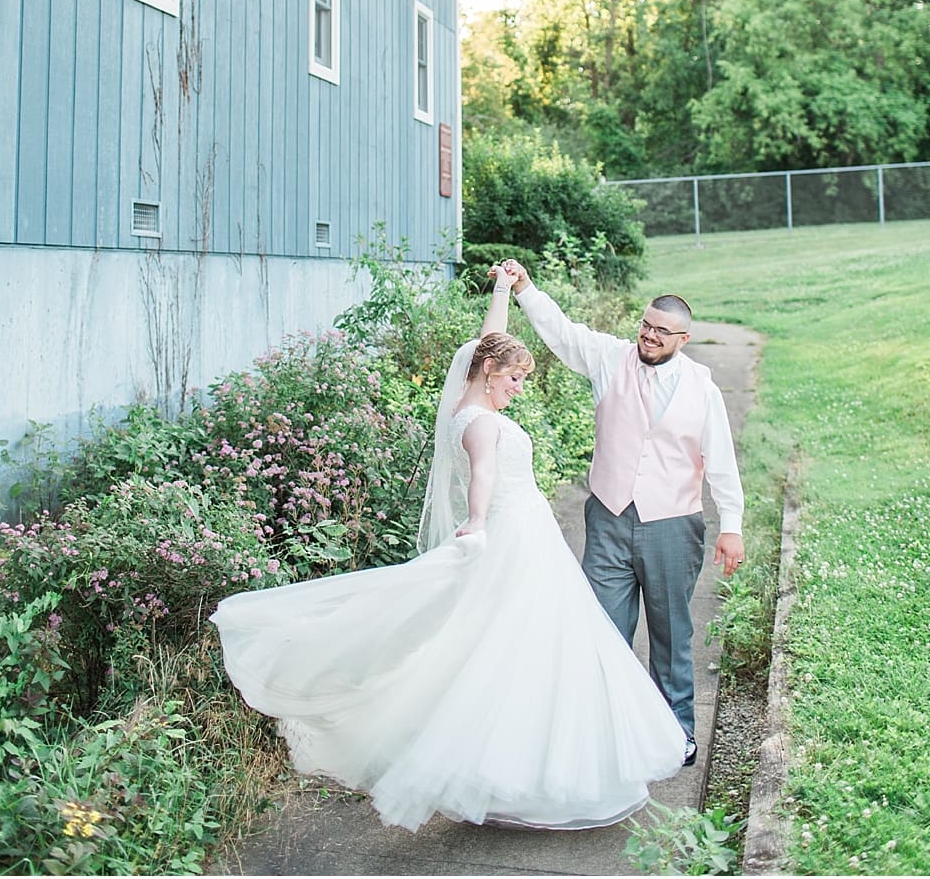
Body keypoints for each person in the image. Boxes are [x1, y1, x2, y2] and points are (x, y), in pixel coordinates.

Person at [211, 266, 687, 831]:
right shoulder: (483, 425)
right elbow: (482, 475)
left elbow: (490, 339)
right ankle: (520, 767)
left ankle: (517, 762)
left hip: (528, 534)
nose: (519, 387)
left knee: (514, 645)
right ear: (490, 374)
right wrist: (479, 522)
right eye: (514, 379)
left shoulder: (473, 391)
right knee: (529, 646)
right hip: (513, 535)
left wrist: (503, 292)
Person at [495, 259, 744, 769]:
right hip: (608, 519)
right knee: (602, 630)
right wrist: (525, 289)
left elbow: (721, 462)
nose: (649, 336)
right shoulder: (611, 358)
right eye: (645, 325)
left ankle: (676, 732)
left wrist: (732, 527)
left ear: (683, 338)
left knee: (672, 632)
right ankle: (604, 731)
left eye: (661, 331)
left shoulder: (704, 389)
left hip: (674, 525)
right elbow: (562, 334)